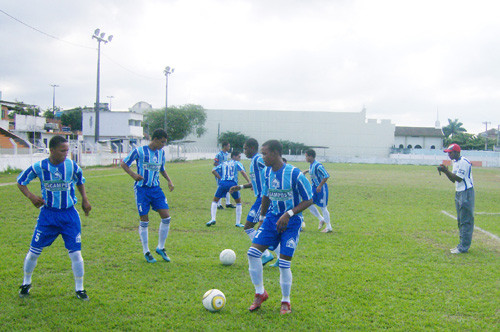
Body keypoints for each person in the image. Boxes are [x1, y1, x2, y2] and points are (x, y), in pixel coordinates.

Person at [17, 135, 92, 300]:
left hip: (69, 215)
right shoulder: (40, 167)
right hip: (48, 216)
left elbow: (80, 181)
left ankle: (80, 288)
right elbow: (21, 181)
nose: (66, 153)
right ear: (51, 150)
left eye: (67, 150)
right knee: (34, 252)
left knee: (75, 254)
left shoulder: (71, 165)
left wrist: (85, 200)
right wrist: (31, 196)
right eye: (63, 150)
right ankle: (26, 283)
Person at [247, 140, 313, 314]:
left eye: (265, 153)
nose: (263, 157)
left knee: (284, 264)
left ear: (276, 153)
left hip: (292, 222)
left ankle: (286, 301)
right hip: (271, 219)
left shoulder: (294, 174)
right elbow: (266, 196)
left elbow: (309, 199)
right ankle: (260, 292)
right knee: (252, 253)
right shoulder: (266, 172)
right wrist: (262, 218)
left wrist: (289, 213)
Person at [121, 128, 175, 263]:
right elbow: (124, 163)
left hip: (156, 189)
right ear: (155, 139)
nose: (163, 145)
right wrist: (133, 175)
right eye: (162, 142)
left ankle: (160, 247)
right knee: (144, 220)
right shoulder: (139, 151)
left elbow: (161, 168)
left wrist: (169, 180)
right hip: (142, 190)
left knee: (166, 217)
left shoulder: (161, 153)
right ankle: (146, 251)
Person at [230, 138, 279, 266]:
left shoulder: (258, 159)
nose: (244, 151)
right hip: (261, 197)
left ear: (252, 148)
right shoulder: (254, 162)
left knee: (248, 226)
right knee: (266, 230)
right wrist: (240, 187)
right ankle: (278, 256)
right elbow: (256, 182)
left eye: (245, 148)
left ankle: (266, 254)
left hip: (263, 198)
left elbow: (272, 169)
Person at [437, 143, 475, 254]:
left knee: (465, 220)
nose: (449, 155)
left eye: (450, 152)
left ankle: (463, 247)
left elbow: (458, 178)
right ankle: (461, 245)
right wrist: (446, 172)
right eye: (448, 153)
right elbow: (453, 179)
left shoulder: (463, 162)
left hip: (466, 193)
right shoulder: (456, 162)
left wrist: (445, 171)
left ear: (457, 152)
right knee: (460, 220)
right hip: (459, 192)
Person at [207, 150, 250, 227]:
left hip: (223, 183)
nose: (240, 158)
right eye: (239, 157)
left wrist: (220, 178)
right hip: (232, 184)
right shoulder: (237, 163)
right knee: (238, 202)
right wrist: (249, 181)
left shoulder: (224, 163)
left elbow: (213, 170)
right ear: (234, 156)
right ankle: (237, 223)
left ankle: (213, 218)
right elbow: (242, 172)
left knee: (215, 200)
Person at [303, 149, 333, 233]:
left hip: (321, 189)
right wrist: (306, 171)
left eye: (306, 156)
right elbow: (313, 170)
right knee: (308, 203)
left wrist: (320, 186)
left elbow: (326, 175)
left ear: (310, 156)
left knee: (323, 208)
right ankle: (321, 219)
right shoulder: (311, 164)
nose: (305, 158)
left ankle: (329, 227)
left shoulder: (318, 165)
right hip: (314, 188)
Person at [214, 141, 235, 209]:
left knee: (227, 186)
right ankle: (218, 204)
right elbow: (215, 163)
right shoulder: (219, 154)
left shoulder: (226, 154)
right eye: (228, 146)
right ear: (224, 146)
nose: (229, 147)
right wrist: (221, 167)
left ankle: (228, 203)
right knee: (220, 187)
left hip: (225, 173)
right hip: (219, 173)